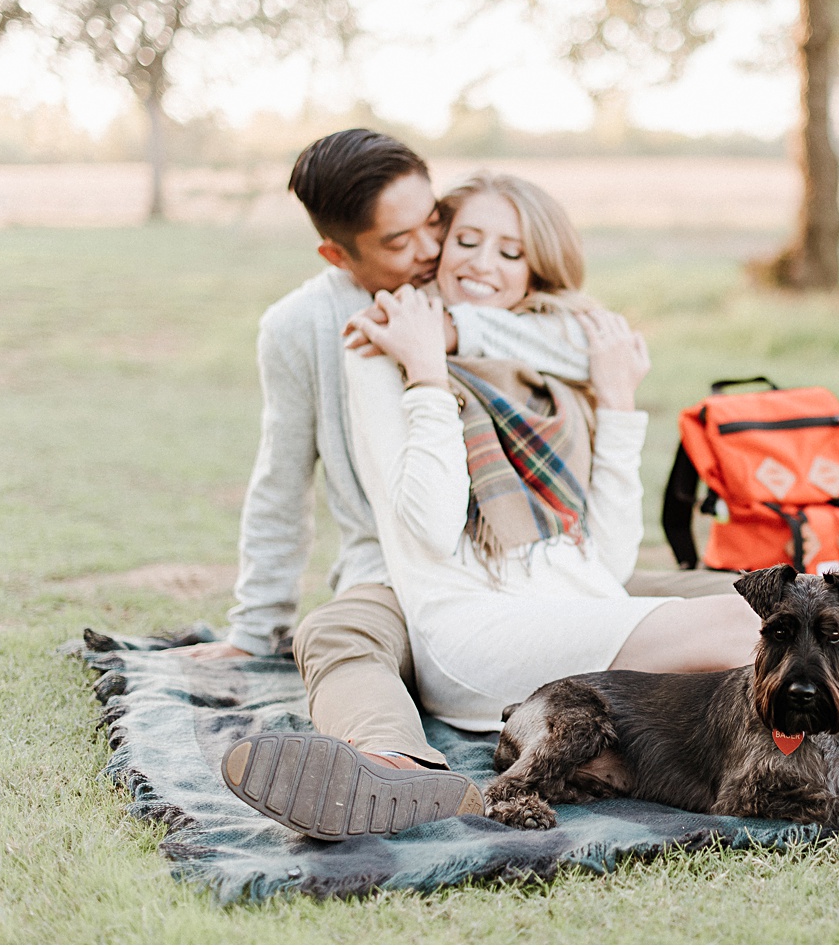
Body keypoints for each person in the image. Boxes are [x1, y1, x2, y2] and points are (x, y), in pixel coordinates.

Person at [260, 169, 839, 854]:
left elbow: (605, 549)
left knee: (768, 646)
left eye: (510, 250)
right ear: (438, 244)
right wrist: (423, 375)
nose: (485, 266)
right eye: (469, 242)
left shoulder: (547, 375)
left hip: (571, 598)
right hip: (474, 625)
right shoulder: (385, 345)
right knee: (741, 631)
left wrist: (615, 405)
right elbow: (420, 525)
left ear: (534, 264)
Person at [178, 131, 744, 824]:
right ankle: (387, 766)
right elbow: (279, 475)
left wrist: (454, 335)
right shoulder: (304, 327)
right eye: (399, 240)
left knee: (731, 595)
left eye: (433, 222)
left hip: (527, 560)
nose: (427, 252)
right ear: (339, 252)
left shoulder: (478, 293)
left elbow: (583, 338)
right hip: (394, 567)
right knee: (335, 633)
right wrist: (254, 622)